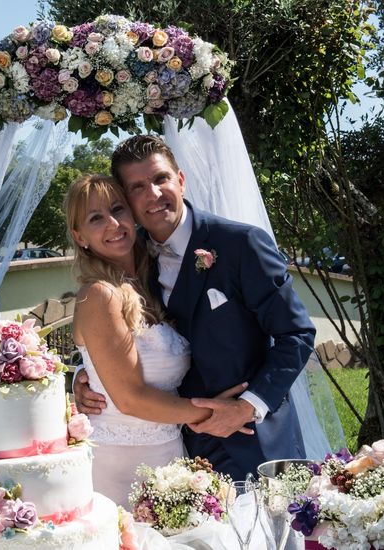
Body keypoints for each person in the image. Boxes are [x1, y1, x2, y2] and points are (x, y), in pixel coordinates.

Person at [73, 135, 316, 481]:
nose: (153, 195)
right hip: (177, 450)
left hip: (253, 440)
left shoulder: (240, 244)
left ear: (181, 180)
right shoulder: (128, 255)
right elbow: (104, 332)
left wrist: (250, 405)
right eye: (138, 187)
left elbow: (297, 333)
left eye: (160, 179)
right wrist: (82, 379)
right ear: (128, 199)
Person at [64, 173, 248, 507]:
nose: (113, 223)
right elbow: (130, 399)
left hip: (168, 450)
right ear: (80, 237)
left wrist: (82, 373)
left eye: (118, 209)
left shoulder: (151, 281)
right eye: (95, 218)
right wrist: (213, 415)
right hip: (118, 462)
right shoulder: (99, 295)